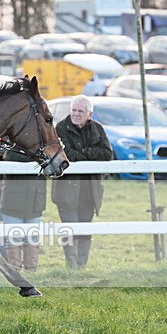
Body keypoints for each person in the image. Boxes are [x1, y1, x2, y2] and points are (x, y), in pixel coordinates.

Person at [52, 95, 113, 269]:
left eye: (80, 111)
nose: (76, 114)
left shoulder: (98, 129)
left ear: (89, 114)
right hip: (66, 190)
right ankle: (71, 265)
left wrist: (84, 153)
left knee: (85, 230)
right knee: (70, 229)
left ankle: (82, 265)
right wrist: (90, 155)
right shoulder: (61, 128)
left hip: (90, 190)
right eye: (74, 110)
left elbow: (107, 154)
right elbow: (68, 155)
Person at [0, 149, 46, 272]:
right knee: (13, 239)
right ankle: (15, 272)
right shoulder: (12, 149)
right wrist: (36, 158)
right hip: (13, 201)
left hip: (35, 200)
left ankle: (31, 271)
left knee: (32, 238)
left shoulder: (42, 147)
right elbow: (9, 157)